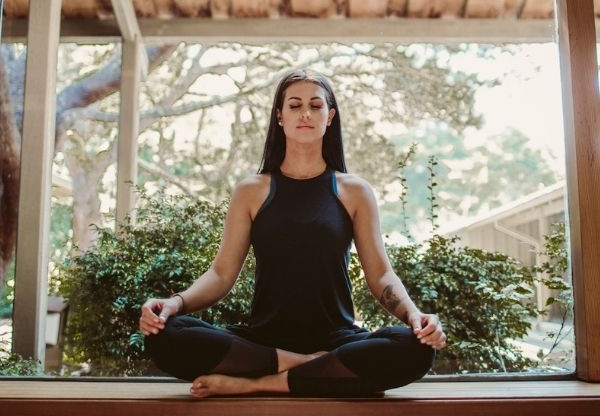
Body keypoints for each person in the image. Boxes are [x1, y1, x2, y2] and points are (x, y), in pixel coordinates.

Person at [140, 68, 446, 399]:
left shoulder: (354, 191)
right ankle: (318, 368)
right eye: (295, 105)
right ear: (280, 117)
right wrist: (173, 304)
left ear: (330, 117)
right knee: (165, 334)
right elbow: (220, 274)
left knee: (415, 348)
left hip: (336, 337)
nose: (305, 113)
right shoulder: (251, 191)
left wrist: (415, 315)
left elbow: (381, 274)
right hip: (262, 341)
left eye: (315, 106)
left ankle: (258, 383)